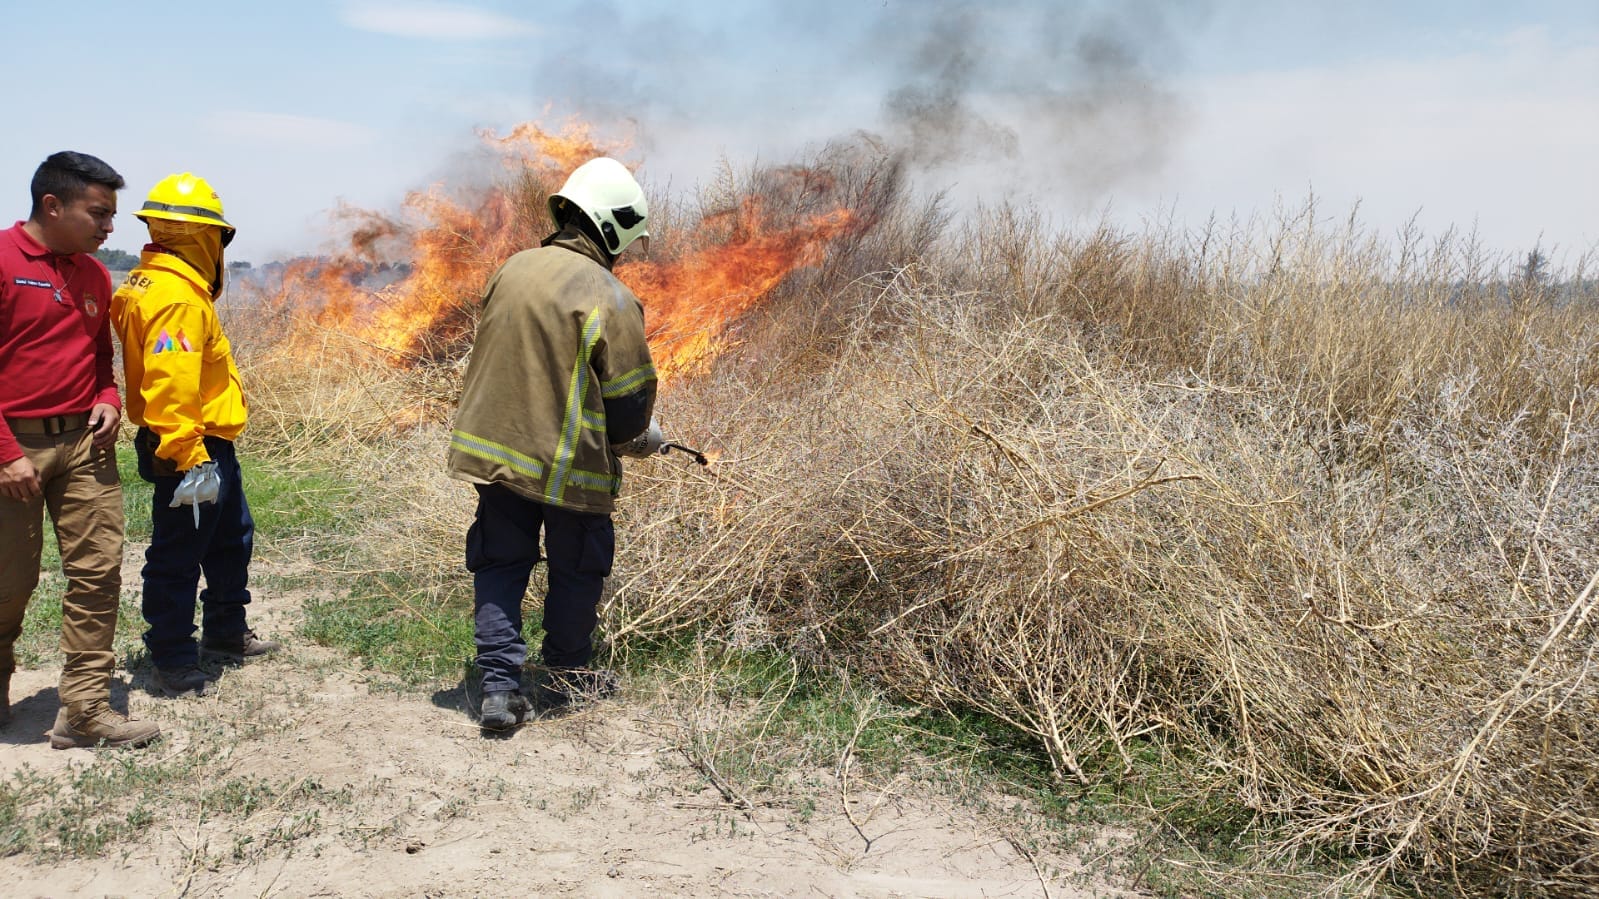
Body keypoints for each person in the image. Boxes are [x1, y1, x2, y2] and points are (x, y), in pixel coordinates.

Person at [447, 157, 658, 730]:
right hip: (569, 468)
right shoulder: (609, 295)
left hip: (496, 454)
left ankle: (497, 687)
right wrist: (640, 437)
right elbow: (630, 405)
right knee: (578, 568)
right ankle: (566, 677)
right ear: (610, 225)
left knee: (500, 563)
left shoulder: (510, 269)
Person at [0, 151, 162, 749]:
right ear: (52, 205)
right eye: (99, 213)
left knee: (97, 573)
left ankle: (85, 710)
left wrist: (109, 396)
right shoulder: (2, 259)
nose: (110, 227)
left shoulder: (94, 275)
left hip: (85, 445)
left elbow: (99, 356)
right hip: (12, 447)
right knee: (8, 582)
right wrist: (5, 453)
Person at [110, 172, 279, 699]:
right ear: (199, 235)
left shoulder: (151, 282)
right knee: (178, 554)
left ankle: (226, 631)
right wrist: (189, 456)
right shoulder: (177, 298)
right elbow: (171, 382)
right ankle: (174, 659)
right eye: (220, 237)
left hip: (208, 444)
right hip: (191, 446)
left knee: (232, 538)